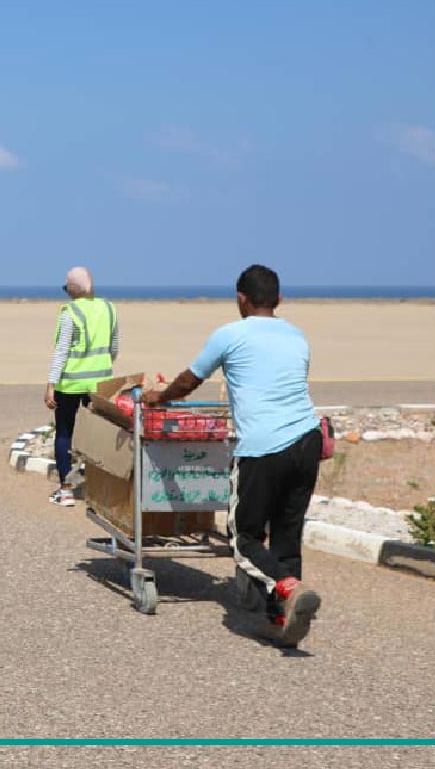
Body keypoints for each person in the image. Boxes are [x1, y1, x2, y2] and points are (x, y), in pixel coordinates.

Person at [143, 264, 323, 648]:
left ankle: (289, 589)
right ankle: (282, 619)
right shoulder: (297, 336)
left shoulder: (230, 334)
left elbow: (189, 381)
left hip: (262, 446)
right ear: (279, 299)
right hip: (307, 440)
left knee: (244, 538)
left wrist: (159, 397)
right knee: (287, 534)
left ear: (241, 298)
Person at [44, 266, 118, 507]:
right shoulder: (109, 308)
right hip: (100, 382)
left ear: (71, 290)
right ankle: (99, 488)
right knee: (98, 433)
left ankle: (66, 490)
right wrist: (101, 367)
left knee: (65, 432)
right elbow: (114, 348)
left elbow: (61, 352)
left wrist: (51, 384)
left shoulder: (69, 313)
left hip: (70, 383)